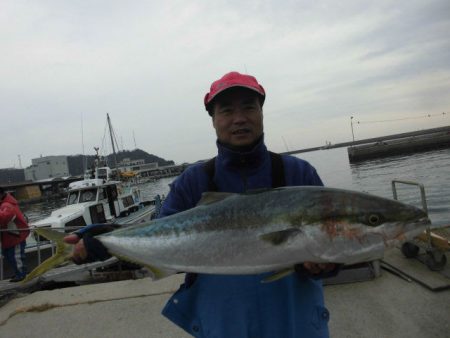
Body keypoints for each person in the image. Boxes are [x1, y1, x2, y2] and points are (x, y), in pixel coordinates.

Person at [65, 71, 337, 337]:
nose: (239, 118)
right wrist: (109, 238)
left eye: (249, 107)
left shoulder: (299, 174)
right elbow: (159, 236)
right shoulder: (194, 181)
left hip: (294, 323)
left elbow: (334, 243)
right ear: (214, 120)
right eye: (227, 111)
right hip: (221, 324)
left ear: (262, 113)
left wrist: (326, 262)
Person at [0, 186, 30, 282]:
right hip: (10, 237)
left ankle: (21, 274)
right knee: (10, 256)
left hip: (15, 236)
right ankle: (18, 273)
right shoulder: (7, 203)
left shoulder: (7, 205)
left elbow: (5, 217)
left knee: (16, 257)